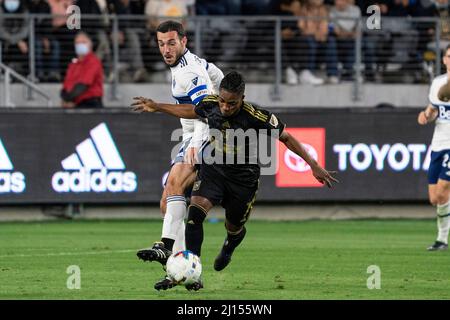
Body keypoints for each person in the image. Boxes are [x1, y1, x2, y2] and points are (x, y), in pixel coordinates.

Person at [132, 71, 339, 290]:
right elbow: (191, 111)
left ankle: (229, 246)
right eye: (222, 101)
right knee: (194, 215)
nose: (225, 107)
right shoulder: (211, 104)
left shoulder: (256, 116)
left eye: (231, 103)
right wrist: (158, 106)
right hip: (214, 170)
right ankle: (194, 272)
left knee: (234, 226)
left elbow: (286, 136)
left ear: (242, 98)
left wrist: (313, 165)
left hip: (243, 180)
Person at [135, 21, 224, 290]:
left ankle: (166, 246)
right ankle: (186, 272)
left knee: (174, 184)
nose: (166, 49)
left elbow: (205, 110)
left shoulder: (189, 72)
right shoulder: (195, 63)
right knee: (167, 203)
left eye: (171, 43)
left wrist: (197, 142)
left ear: (184, 42)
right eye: (161, 44)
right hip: (196, 136)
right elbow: (217, 75)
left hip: (204, 134)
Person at [418, 44, 450, 251]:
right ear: (444, 59)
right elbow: (433, 110)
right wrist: (426, 115)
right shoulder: (437, 83)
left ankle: (442, 239)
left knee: (444, 189)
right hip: (438, 143)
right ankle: (442, 238)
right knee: (435, 198)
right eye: (449, 55)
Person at [61, 32, 104, 108]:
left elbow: (84, 84)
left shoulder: (94, 62)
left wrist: (68, 99)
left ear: (90, 44)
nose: (80, 45)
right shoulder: (74, 64)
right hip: (76, 103)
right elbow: (66, 84)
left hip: (90, 104)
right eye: (77, 43)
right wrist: (66, 98)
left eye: (83, 42)